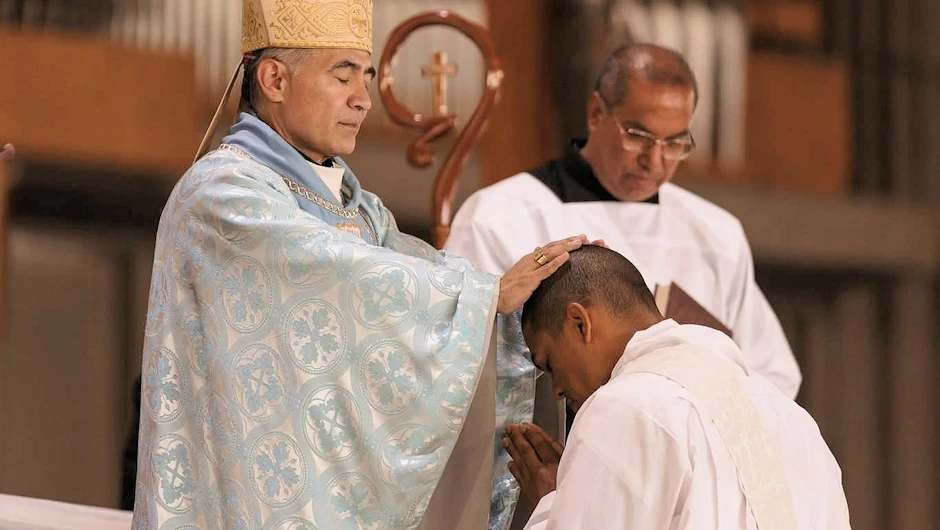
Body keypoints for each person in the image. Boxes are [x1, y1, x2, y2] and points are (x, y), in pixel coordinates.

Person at [132, 1, 583, 528]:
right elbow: (338, 269)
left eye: (366, 78)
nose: (363, 100)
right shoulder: (222, 194)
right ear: (274, 79)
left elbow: (416, 277)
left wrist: (524, 296)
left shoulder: (358, 207)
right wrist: (484, 297)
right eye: (342, 75)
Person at [444, 43, 801, 400]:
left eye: (674, 143)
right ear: (596, 113)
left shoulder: (716, 234)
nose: (655, 161)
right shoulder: (496, 217)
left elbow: (771, 376)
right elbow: (452, 351)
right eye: (638, 137)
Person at [504, 245, 851, 529]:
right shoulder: (796, 421)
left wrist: (553, 502)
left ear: (580, 323)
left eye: (549, 363)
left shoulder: (624, 406)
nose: (557, 390)